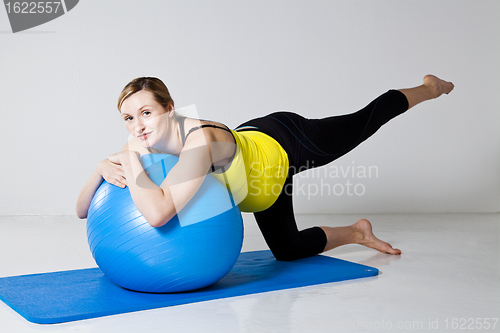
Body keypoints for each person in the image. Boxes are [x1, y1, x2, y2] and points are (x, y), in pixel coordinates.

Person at [76, 75, 454, 261]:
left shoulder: (198, 142)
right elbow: (81, 210)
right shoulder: (142, 145)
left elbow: (157, 213)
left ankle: (429, 88)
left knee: (361, 123)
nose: (138, 126)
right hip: (261, 186)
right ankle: (357, 232)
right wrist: (98, 168)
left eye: (146, 112)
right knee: (287, 251)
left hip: (284, 142)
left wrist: (125, 158)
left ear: (169, 108)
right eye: (128, 118)